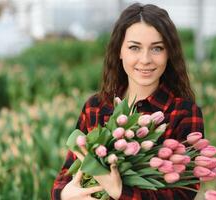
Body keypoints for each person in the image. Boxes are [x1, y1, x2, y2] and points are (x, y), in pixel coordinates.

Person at [51, 3, 204, 200]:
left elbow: (185, 193)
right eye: (134, 47)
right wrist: (63, 194)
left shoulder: (182, 112)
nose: (145, 59)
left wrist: (120, 192)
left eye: (157, 48)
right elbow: (65, 175)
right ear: (119, 51)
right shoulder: (96, 107)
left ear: (169, 54)